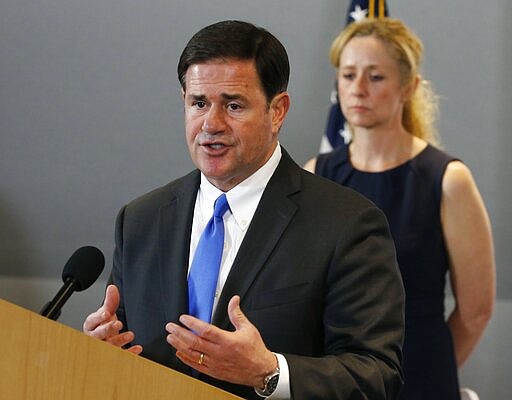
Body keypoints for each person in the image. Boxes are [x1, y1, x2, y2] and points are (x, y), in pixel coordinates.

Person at [83, 20, 405, 399]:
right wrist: (98, 350)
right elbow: (123, 342)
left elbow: (376, 375)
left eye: (233, 105)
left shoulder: (347, 224)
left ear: (277, 111)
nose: (211, 124)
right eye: (198, 103)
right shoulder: (140, 220)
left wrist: (269, 373)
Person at [304, 18, 496, 400]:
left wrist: (429, 371)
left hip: (422, 372)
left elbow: (475, 311)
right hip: (338, 378)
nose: (357, 89)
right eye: (348, 75)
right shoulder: (316, 175)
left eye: (375, 77)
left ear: (409, 87)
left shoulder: (447, 179)